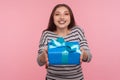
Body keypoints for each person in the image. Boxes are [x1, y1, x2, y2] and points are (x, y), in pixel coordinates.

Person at [37, 4, 92, 80]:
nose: (62, 17)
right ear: (53, 18)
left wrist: (84, 54)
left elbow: (89, 57)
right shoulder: (46, 34)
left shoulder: (77, 31)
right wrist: (44, 56)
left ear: (70, 17)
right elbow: (39, 62)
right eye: (57, 14)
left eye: (66, 14)